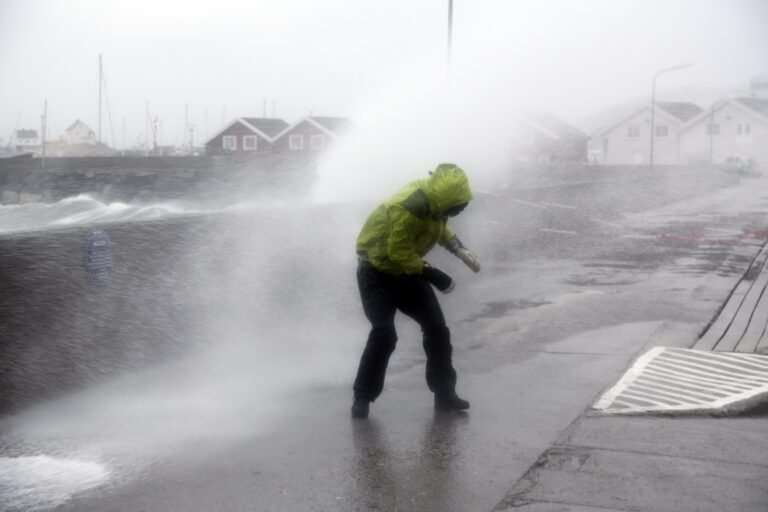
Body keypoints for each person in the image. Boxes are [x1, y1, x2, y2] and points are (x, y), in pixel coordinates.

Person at [351, 163, 481, 419]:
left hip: (407, 272)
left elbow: (437, 226)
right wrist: (433, 274)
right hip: (377, 273)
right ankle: (362, 397)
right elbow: (396, 252)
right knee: (384, 334)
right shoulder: (407, 207)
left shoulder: (435, 203)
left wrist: (458, 248)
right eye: (456, 207)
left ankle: (445, 395)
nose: (456, 212)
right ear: (445, 199)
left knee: (437, 330)